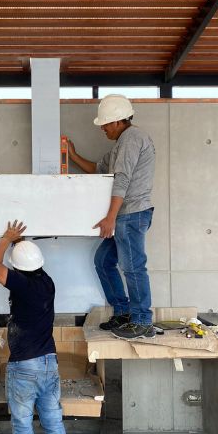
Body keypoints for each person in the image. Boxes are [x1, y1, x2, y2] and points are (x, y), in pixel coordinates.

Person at [0, 220, 69, 434]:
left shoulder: (21, 284)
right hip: (49, 363)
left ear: (18, 268)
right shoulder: (47, 282)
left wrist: (6, 239)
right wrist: (19, 243)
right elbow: (26, 265)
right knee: (53, 422)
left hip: (25, 366)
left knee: (22, 423)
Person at [68, 94, 156, 340]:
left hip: (131, 214)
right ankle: (124, 312)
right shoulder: (121, 144)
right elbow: (99, 170)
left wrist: (110, 217)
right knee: (104, 261)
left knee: (133, 267)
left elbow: (122, 180)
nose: (103, 129)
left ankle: (141, 321)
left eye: (106, 124)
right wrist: (72, 156)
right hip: (125, 216)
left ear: (119, 120)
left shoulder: (132, 139)